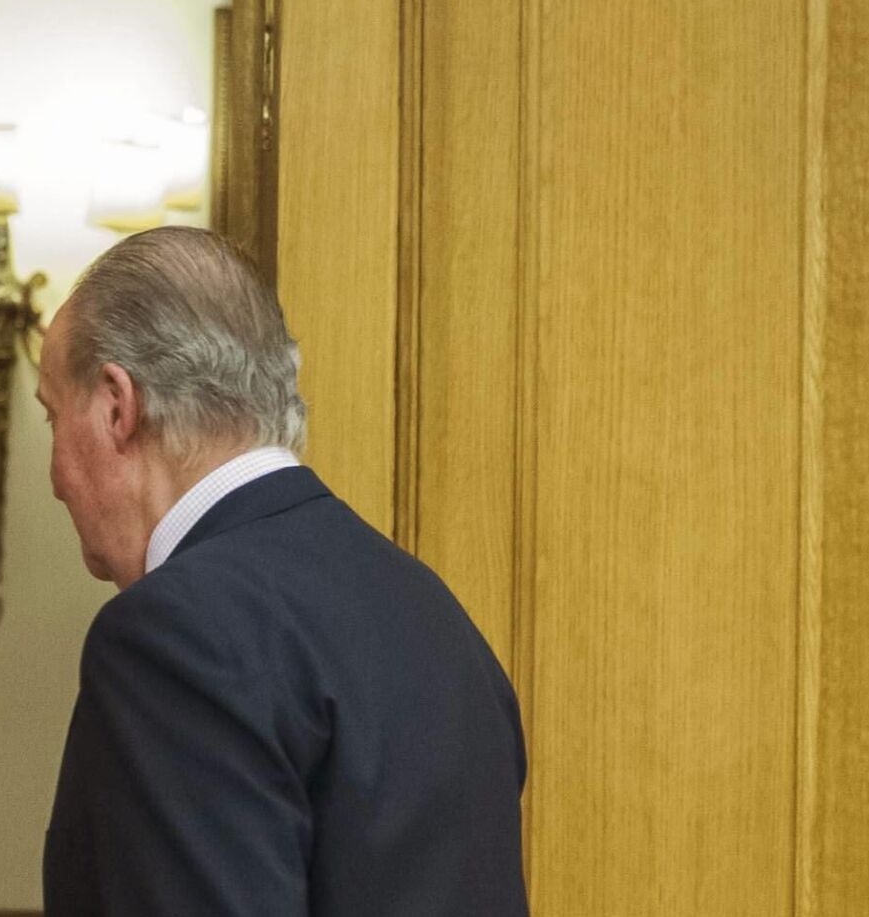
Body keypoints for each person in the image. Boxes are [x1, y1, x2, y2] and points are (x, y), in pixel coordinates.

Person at [36, 227, 529, 916]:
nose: (55, 477)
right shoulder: (431, 611)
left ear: (117, 406)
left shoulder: (170, 634)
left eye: (52, 416)